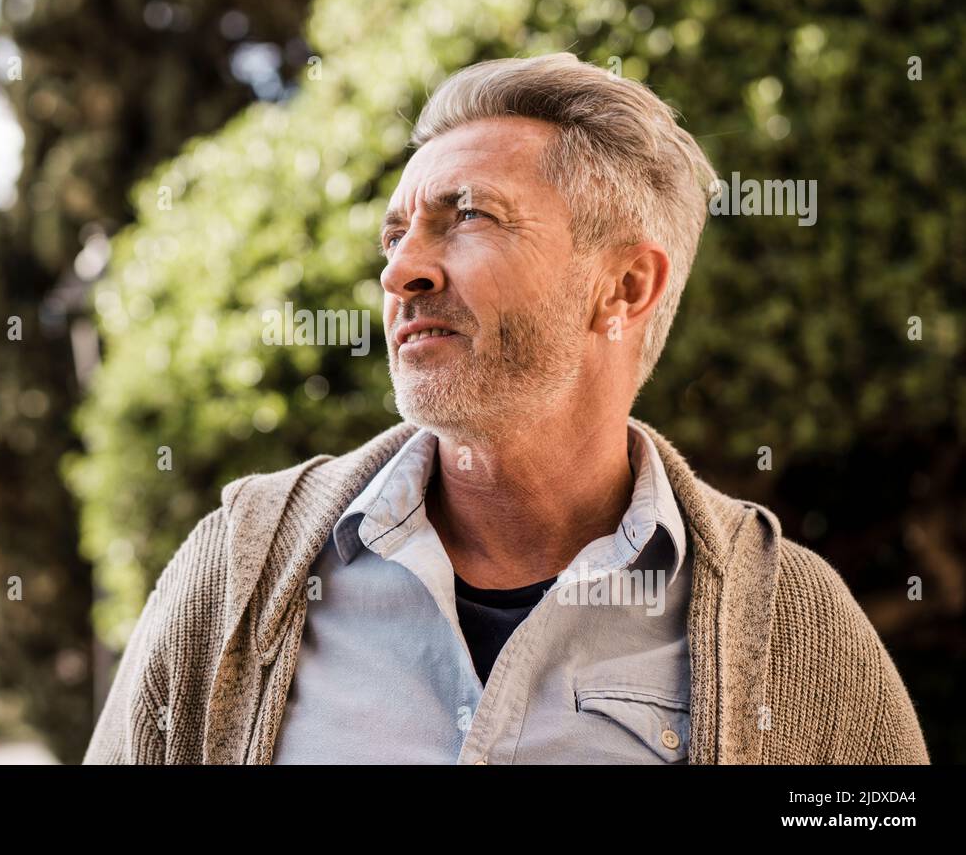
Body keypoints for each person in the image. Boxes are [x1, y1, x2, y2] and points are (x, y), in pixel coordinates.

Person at [83, 53, 930, 765]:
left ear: (625, 286)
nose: (399, 272)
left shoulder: (795, 626)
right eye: (395, 235)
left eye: (469, 215)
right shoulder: (241, 572)